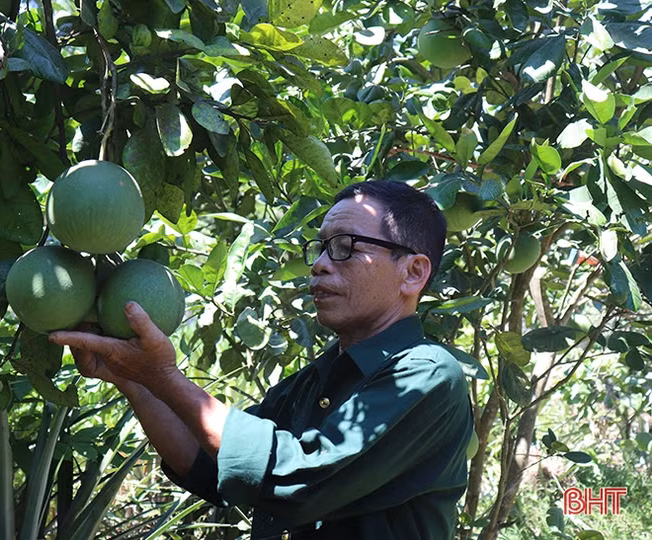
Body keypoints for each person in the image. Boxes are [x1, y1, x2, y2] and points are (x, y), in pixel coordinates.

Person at [50, 180, 475, 539]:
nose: (321, 265)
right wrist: (136, 382)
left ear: (413, 273)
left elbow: (297, 478)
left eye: (345, 247)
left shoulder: (427, 375)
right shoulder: (314, 381)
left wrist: (163, 377)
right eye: (322, 247)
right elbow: (208, 466)